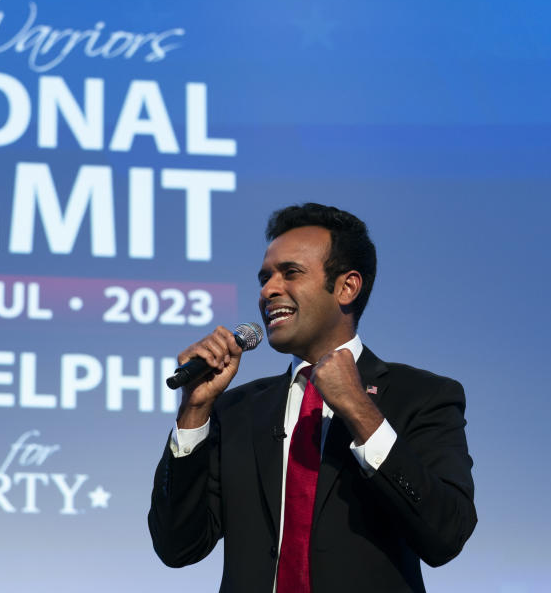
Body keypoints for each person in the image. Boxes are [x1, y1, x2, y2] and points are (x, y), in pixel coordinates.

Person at [148, 203, 476, 592]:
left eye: (291, 273)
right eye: (265, 277)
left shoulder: (423, 396)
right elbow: (177, 547)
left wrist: (358, 409)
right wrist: (194, 410)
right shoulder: (236, 409)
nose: (268, 290)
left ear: (346, 287)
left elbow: (446, 535)